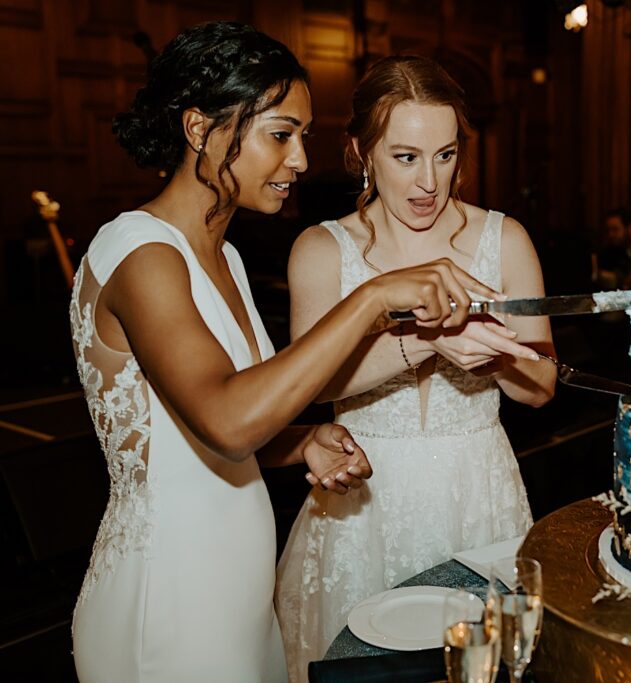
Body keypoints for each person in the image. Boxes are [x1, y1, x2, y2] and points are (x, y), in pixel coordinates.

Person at [69, 23, 533, 683]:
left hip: (241, 595)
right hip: (169, 596)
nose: (298, 161)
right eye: (279, 135)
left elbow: (208, 428)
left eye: (303, 138)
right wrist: (372, 298)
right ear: (200, 128)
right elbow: (228, 421)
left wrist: (302, 441)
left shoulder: (222, 257)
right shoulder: (140, 253)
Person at [274, 55, 556, 680]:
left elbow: (539, 388)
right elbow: (313, 386)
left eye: (446, 155)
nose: (430, 182)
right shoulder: (322, 250)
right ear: (361, 152)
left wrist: (495, 349)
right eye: (405, 157)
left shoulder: (504, 240)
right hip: (362, 501)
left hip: (478, 491)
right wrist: (430, 337)